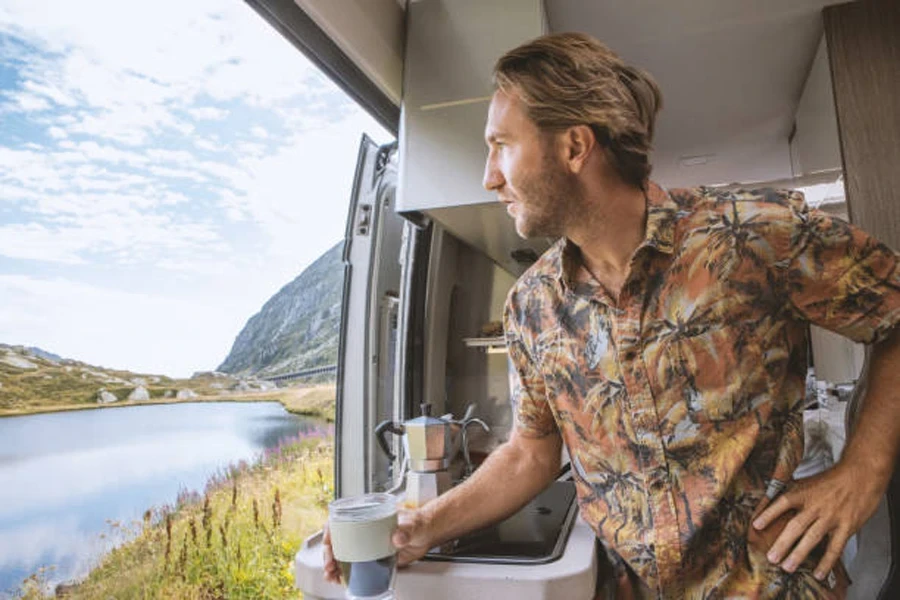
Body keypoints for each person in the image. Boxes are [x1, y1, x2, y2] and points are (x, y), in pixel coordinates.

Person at [324, 32, 900, 599]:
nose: (488, 175)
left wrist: (863, 470)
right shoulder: (531, 306)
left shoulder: (749, 236)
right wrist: (422, 526)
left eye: (501, 144)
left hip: (771, 585)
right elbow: (531, 452)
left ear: (574, 147)